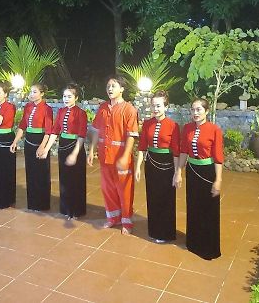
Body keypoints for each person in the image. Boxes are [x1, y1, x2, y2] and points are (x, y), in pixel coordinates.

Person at [88, 75, 139, 235]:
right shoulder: (103, 107)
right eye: (108, 86)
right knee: (107, 188)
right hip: (105, 156)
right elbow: (96, 130)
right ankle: (113, 218)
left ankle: (126, 220)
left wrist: (125, 156)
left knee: (124, 190)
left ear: (122, 89)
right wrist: (91, 150)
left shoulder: (129, 109)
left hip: (121, 157)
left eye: (114, 86)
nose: (110, 89)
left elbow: (132, 135)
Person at [175, 98, 223, 260]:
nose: (195, 113)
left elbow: (218, 157)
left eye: (199, 110)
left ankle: (208, 247)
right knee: (193, 206)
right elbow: (183, 152)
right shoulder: (187, 128)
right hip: (192, 171)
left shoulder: (214, 129)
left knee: (208, 209)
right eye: (193, 110)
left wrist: (218, 180)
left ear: (206, 111)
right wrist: (178, 172)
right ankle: (193, 242)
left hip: (208, 172)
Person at [135, 90, 180, 243]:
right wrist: (138, 168)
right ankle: (154, 230)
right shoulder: (147, 124)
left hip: (167, 164)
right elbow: (142, 147)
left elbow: (176, 151)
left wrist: (177, 173)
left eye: (159, 106)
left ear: (166, 107)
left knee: (166, 198)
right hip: (151, 162)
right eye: (153, 106)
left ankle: (166, 232)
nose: (155, 109)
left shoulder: (173, 126)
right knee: (152, 196)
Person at [43, 83, 87, 219]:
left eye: (69, 96)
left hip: (75, 146)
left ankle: (76, 210)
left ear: (76, 97)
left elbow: (81, 135)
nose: (66, 99)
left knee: (76, 180)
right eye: (64, 96)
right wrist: (46, 149)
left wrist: (75, 154)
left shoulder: (81, 113)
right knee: (64, 179)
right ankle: (65, 208)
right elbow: (55, 131)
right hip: (63, 146)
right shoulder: (61, 112)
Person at [10, 83, 53, 211]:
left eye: (35, 92)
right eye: (31, 92)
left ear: (42, 93)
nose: (31, 94)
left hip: (40, 141)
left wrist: (42, 146)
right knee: (31, 173)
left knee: (42, 173)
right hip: (29, 142)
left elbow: (48, 130)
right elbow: (23, 126)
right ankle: (33, 202)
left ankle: (42, 203)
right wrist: (15, 141)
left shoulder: (47, 108)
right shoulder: (28, 107)